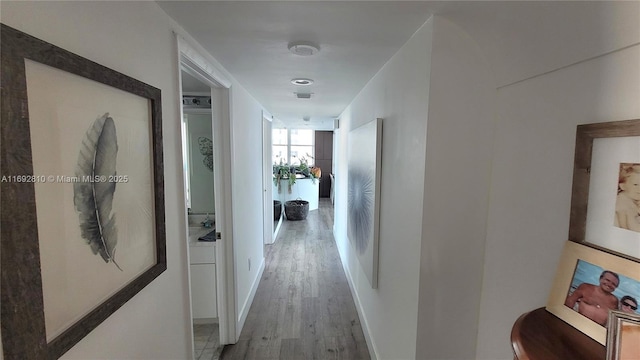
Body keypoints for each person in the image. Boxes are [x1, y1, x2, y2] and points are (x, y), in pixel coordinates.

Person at [615, 163, 640, 232]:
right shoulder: (621, 201)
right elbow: (622, 226)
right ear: (623, 186)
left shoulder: (632, 198)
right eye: (635, 184)